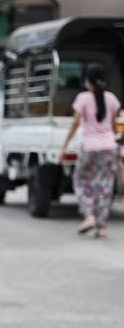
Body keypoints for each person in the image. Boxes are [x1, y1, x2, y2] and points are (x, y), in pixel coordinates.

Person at [61, 66, 122, 239]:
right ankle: (102, 226)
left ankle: (89, 216)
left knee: (80, 179)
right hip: (109, 147)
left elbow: (75, 124)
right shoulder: (111, 99)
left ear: (88, 81)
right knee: (105, 185)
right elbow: (114, 125)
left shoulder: (83, 98)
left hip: (90, 147)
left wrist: (65, 145)